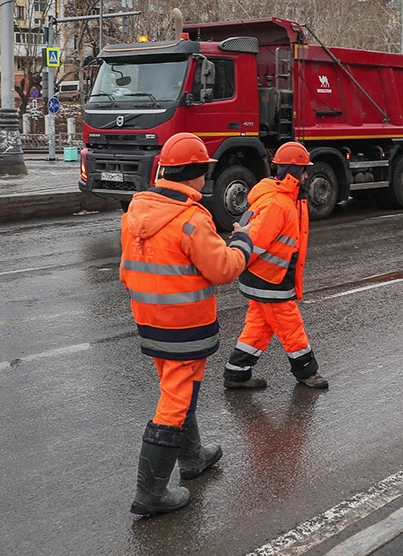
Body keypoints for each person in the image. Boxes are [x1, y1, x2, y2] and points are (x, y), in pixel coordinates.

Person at [119, 132, 252, 517]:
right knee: (176, 399)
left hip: (150, 321)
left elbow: (126, 273)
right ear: (195, 173)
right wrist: (241, 240)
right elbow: (224, 269)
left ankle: (192, 458)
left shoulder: (135, 213)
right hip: (186, 326)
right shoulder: (192, 220)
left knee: (179, 387)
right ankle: (151, 492)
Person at [223, 142, 328, 390]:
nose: (306, 176)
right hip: (271, 281)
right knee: (291, 327)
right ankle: (306, 372)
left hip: (264, 279)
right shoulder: (278, 203)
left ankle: (236, 374)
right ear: (292, 170)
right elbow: (255, 242)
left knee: (258, 327)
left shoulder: (281, 198)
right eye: (304, 171)